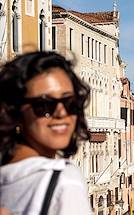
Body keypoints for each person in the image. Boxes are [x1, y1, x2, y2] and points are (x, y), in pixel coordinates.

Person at [0, 52, 91, 215]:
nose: (61, 113)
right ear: (15, 112)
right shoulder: (65, 181)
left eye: (70, 103)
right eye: (44, 105)